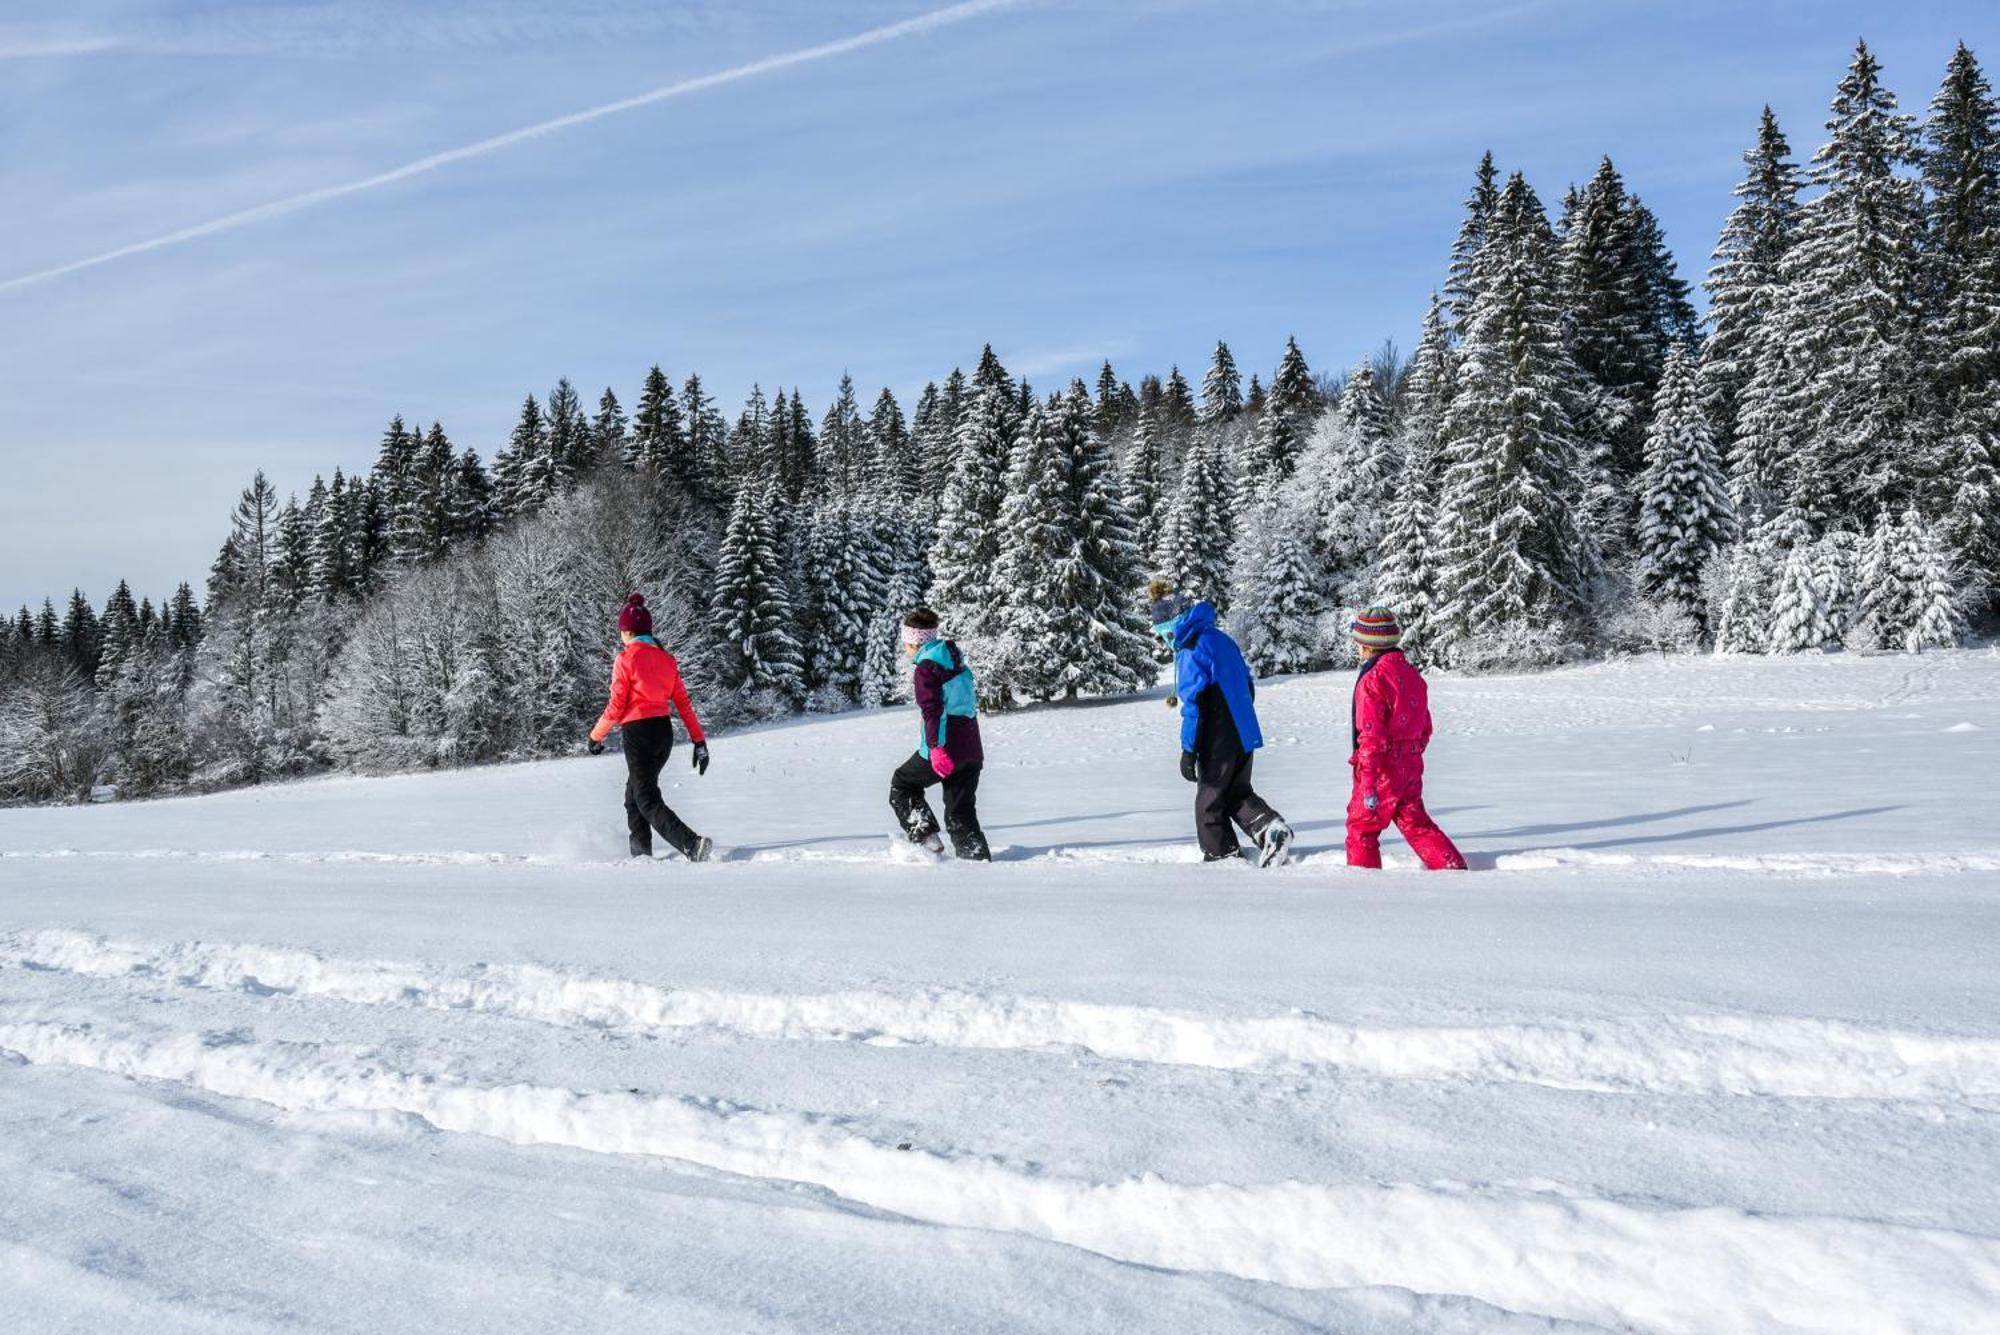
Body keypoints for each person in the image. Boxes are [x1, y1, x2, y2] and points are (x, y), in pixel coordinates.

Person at [1161, 598, 1294, 866]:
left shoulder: (1192, 648)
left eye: (1164, 631)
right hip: (1242, 729)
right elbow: (1247, 683)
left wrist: (1189, 750)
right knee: (1235, 792)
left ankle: (1222, 858)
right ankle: (1271, 829)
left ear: (1176, 624)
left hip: (1217, 734)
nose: (1164, 638)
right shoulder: (1221, 639)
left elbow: (1194, 706)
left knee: (1208, 801)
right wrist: (1240, 720)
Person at [588, 593, 713, 863]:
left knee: (645, 798)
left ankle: (691, 844)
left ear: (628, 632)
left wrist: (596, 736)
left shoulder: (625, 659)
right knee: (633, 796)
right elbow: (683, 703)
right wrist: (699, 742)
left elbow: (617, 705)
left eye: (622, 631)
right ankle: (641, 856)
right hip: (663, 734)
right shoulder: (667, 660)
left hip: (638, 734)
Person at [1346, 607, 1466, 871]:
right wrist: (1410, 753)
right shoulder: (1411, 675)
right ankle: (1451, 868)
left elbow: (1371, 735)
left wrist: (1368, 782)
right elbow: (1425, 725)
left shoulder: (1372, 679)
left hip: (1381, 770)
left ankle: (1360, 885)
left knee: (1362, 828)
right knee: (1415, 822)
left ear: (1366, 646)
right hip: (1409, 765)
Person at [889, 607, 990, 861]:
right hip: (971, 748)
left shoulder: (926, 668)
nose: (905, 647)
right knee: (961, 812)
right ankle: (978, 863)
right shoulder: (957, 663)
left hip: (945, 747)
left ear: (913, 641)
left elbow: (932, 711)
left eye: (905, 641)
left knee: (902, 784)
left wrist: (935, 747)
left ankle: (926, 837)